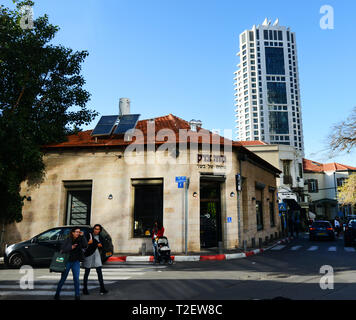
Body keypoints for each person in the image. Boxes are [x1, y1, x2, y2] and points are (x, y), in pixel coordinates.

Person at [54, 227, 88, 300]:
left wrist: (83, 236)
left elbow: (85, 245)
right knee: (63, 278)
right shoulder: (67, 239)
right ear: (72, 232)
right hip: (67, 262)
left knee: (76, 279)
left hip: (76, 262)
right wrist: (71, 247)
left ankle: (77, 295)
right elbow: (62, 249)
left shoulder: (80, 239)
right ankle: (57, 294)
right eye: (76, 232)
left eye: (79, 232)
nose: (78, 233)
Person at [82, 224, 108, 295]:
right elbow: (84, 244)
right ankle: (85, 289)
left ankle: (102, 288)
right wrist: (91, 243)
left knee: (99, 272)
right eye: (95, 229)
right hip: (89, 255)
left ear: (100, 230)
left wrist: (100, 246)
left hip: (96, 255)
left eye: (98, 229)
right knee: (87, 273)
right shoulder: (89, 235)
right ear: (93, 229)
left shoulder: (100, 237)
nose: (96, 230)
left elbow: (102, 246)